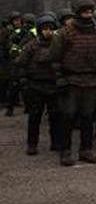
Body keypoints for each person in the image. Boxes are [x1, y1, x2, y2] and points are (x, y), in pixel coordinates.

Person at [46, 0, 96, 166]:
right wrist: (59, 77)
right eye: (84, 11)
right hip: (71, 80)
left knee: (88, 118)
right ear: (77, 12)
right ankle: (65, 151)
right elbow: (54, 57)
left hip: (91, 81)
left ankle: (86, 149)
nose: (88, 14)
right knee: (67, 116)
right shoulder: (65, 33)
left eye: (90, 10)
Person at [13, 14, 62, 156]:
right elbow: (20, 63)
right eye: (45, 28)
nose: (48, 31)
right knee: (35, 117)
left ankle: (56, 142)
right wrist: (23, 80)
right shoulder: (31, 46)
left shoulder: (58, 45)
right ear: (40, 30)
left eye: (51, 29)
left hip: (54, 85)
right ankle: (32, 144)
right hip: (36, 86)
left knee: (55, 117)